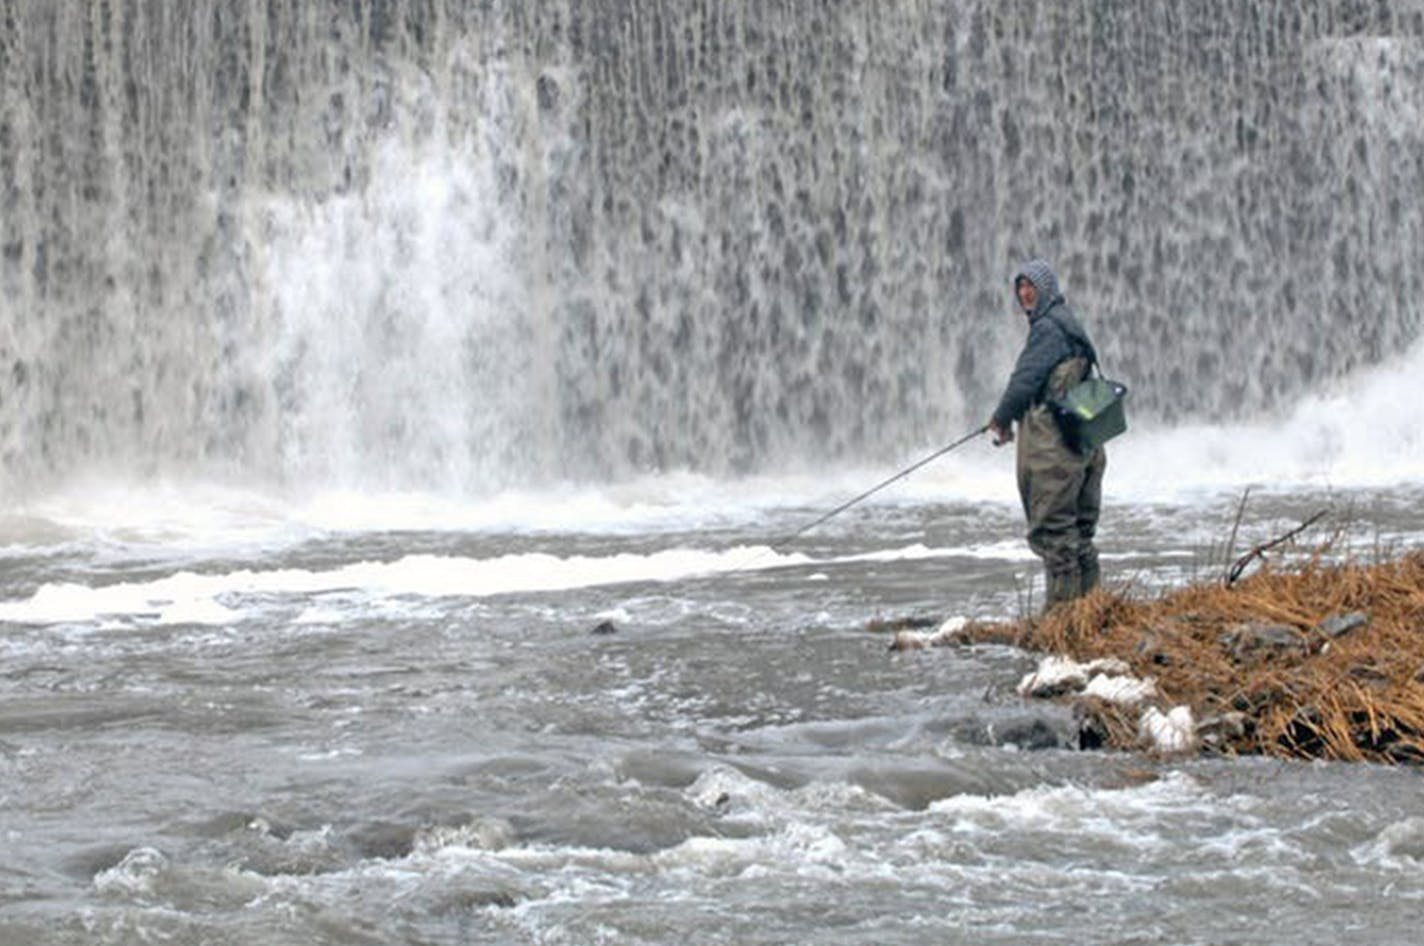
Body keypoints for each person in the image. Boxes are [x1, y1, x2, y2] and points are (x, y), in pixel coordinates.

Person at [987, 258, 1107, 610]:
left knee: (1055, 533)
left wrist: (1001, 419)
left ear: (1047, 289)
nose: (1025, 293)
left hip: (1054, 449)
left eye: (1031, 286)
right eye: (1020, 287)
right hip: (1082, 442)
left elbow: (1025, 379)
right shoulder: (1069, 323)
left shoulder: (1047, 330)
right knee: (1080, 532)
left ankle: (1062, 619)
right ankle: (1091, 609)